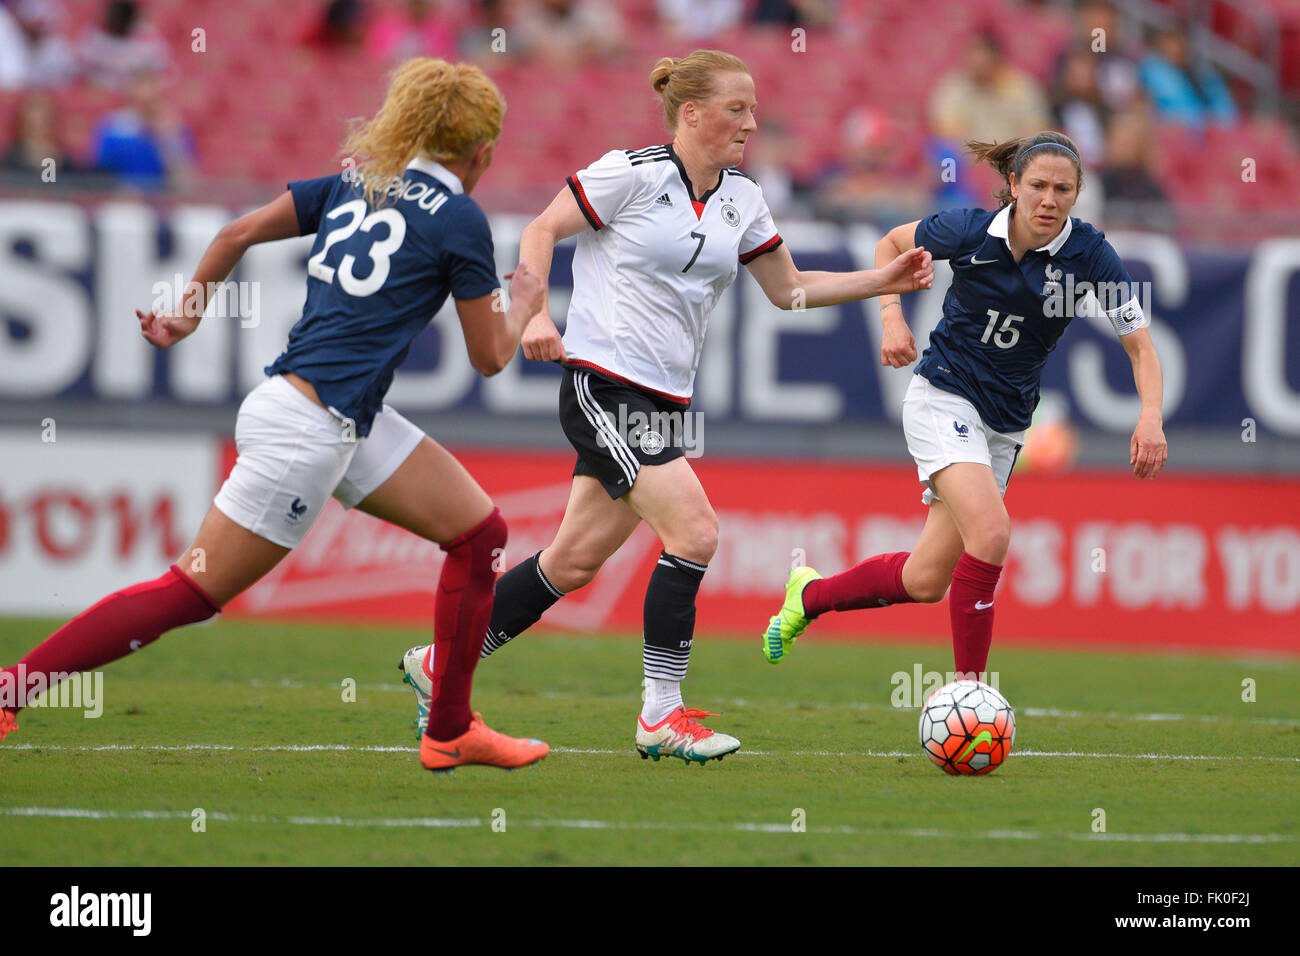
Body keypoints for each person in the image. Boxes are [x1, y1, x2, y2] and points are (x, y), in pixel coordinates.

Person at [0, 58, 550, 774]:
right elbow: (489, 357)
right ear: (482, 152)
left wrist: (184, 317)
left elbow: (234, 233)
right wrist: (528, 300)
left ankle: (449, 729)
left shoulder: (360, 181)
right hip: (308, 432)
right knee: (189, 592)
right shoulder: (460, 219)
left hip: (329, 413)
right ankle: (12, 688)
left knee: (480, 536)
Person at [398, 49, 934, 764]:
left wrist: (882, 280)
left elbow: (788, 288)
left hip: (666, 401)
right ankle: (661, 713)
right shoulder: (631, 172)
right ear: (691, 113)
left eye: (753, 107)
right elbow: (541, 229)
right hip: (601, 385)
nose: (751, 121)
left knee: (573, 560)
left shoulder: (743, 196)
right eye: (736, 108)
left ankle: (440, 665)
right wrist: (533, 314)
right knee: (696, 531)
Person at [760, 131, 1167, 682]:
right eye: (1039, 186)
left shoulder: (1090, 255)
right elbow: (888, 246)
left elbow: (1140, 346)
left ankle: (808, 597)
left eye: (1063, 190)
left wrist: (1149, 417)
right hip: (943, 395)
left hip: (1004, 423)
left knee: (926, 581)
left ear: (1078, 194)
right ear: (1013, 187)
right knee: (993, 536)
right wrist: (892, 318)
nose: (1050, 200)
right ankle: (969, 693)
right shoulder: (969, 230)